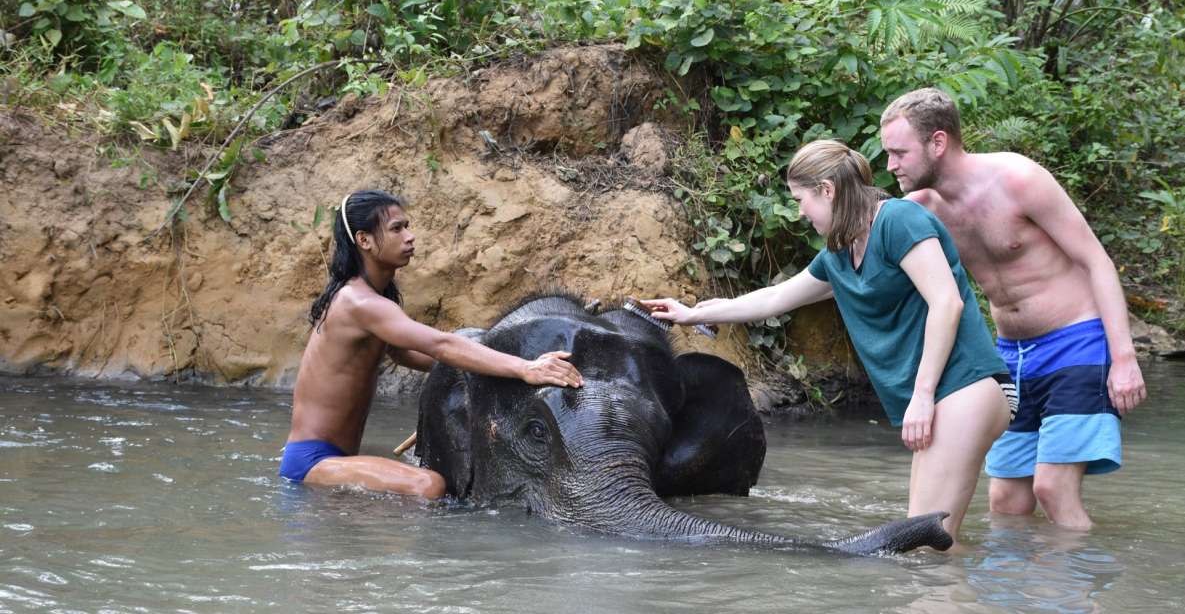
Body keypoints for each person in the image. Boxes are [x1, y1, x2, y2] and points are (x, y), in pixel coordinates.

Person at [643, 140, 1011, 544]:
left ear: (828, 190)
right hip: (943, 396)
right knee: (928, 546)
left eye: (801, 199)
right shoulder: (839, 253)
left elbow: (947, 301)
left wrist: (921, 396)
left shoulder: (898, 221)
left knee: (929, 546)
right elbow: (774, 298)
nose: (799, 211)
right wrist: (692, 313)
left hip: (965, 387)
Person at [879, 87, 1147, 529]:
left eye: (899, 153)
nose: (891, 165)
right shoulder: (920, 211)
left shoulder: (1018, 180)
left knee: (1052, 488)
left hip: (1077, 341)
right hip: (1009, 356)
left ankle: (1083, 593)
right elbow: (859, 263)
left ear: (938, 143)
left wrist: (1124, 357)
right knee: (1005, 500)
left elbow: (1095, 260)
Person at [280, 189, 583, 498]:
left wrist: (497, 370)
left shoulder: (369, 300)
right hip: (312, 462)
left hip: (333, 459)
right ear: (364, 240)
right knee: (428, 485)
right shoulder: (359, 303)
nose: (410, 237)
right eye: (397, 229)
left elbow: (410, 355)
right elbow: (440, 345)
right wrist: (525, 368)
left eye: (407, 226)